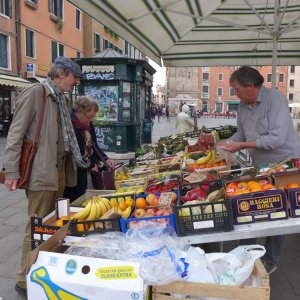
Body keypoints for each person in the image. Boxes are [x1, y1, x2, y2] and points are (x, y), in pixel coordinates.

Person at [2, 56, 87, 298]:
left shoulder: (61, 98)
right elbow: (16, 134)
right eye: (74, 76)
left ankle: (44, 267)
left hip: (58, 170)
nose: (76, 81)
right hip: (41, 171)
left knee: (53, 223)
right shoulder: (36, 94)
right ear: (61, 74)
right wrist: (11, 172)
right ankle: (23, 277)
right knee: (37, 223)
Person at [222, 65, 300, 274]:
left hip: (284, 164)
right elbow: (241, 132)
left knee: (278, 212)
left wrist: (241, 146)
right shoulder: (242, 105)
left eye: (237, 89)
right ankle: (246, 253)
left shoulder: (275, 100)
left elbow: (276, 139)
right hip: (260, 166)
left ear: (251, 86)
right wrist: (226, 143)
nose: (235, 93)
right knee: (252, 206)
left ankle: (271, 260)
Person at [63, 96, 115, 201]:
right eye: (90, 116)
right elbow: (73, 152)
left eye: (93, 117)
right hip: (74, 173)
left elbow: (94, 145)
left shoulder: (88, 124)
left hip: (88, 172)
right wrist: (89, 165)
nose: (91, 120)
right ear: (79, 111)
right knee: (77, 200)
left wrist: (105, 158)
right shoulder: (69, 125)